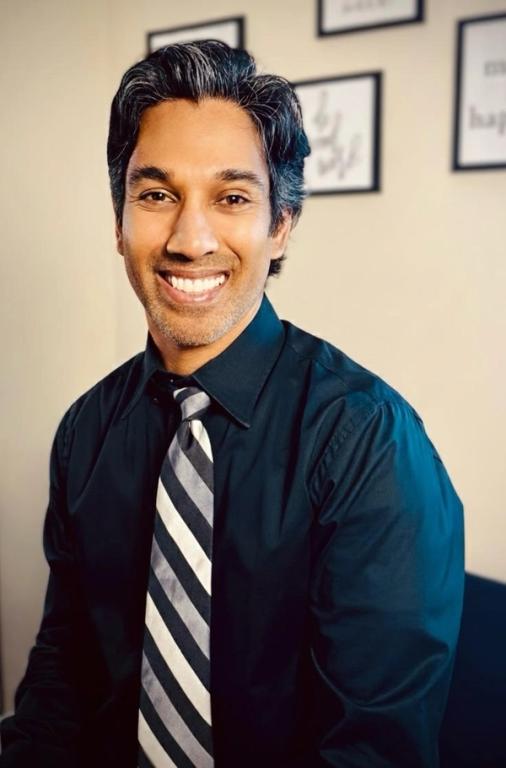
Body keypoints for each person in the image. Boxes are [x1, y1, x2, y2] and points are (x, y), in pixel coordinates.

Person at [0, 41, 464, 768]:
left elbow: (376, 749)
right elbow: (64, 677)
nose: (190, 239)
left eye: (232, 197)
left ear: (280, 225)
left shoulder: (369, 442)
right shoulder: (85, 434)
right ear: (119, 220)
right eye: (156, 194)